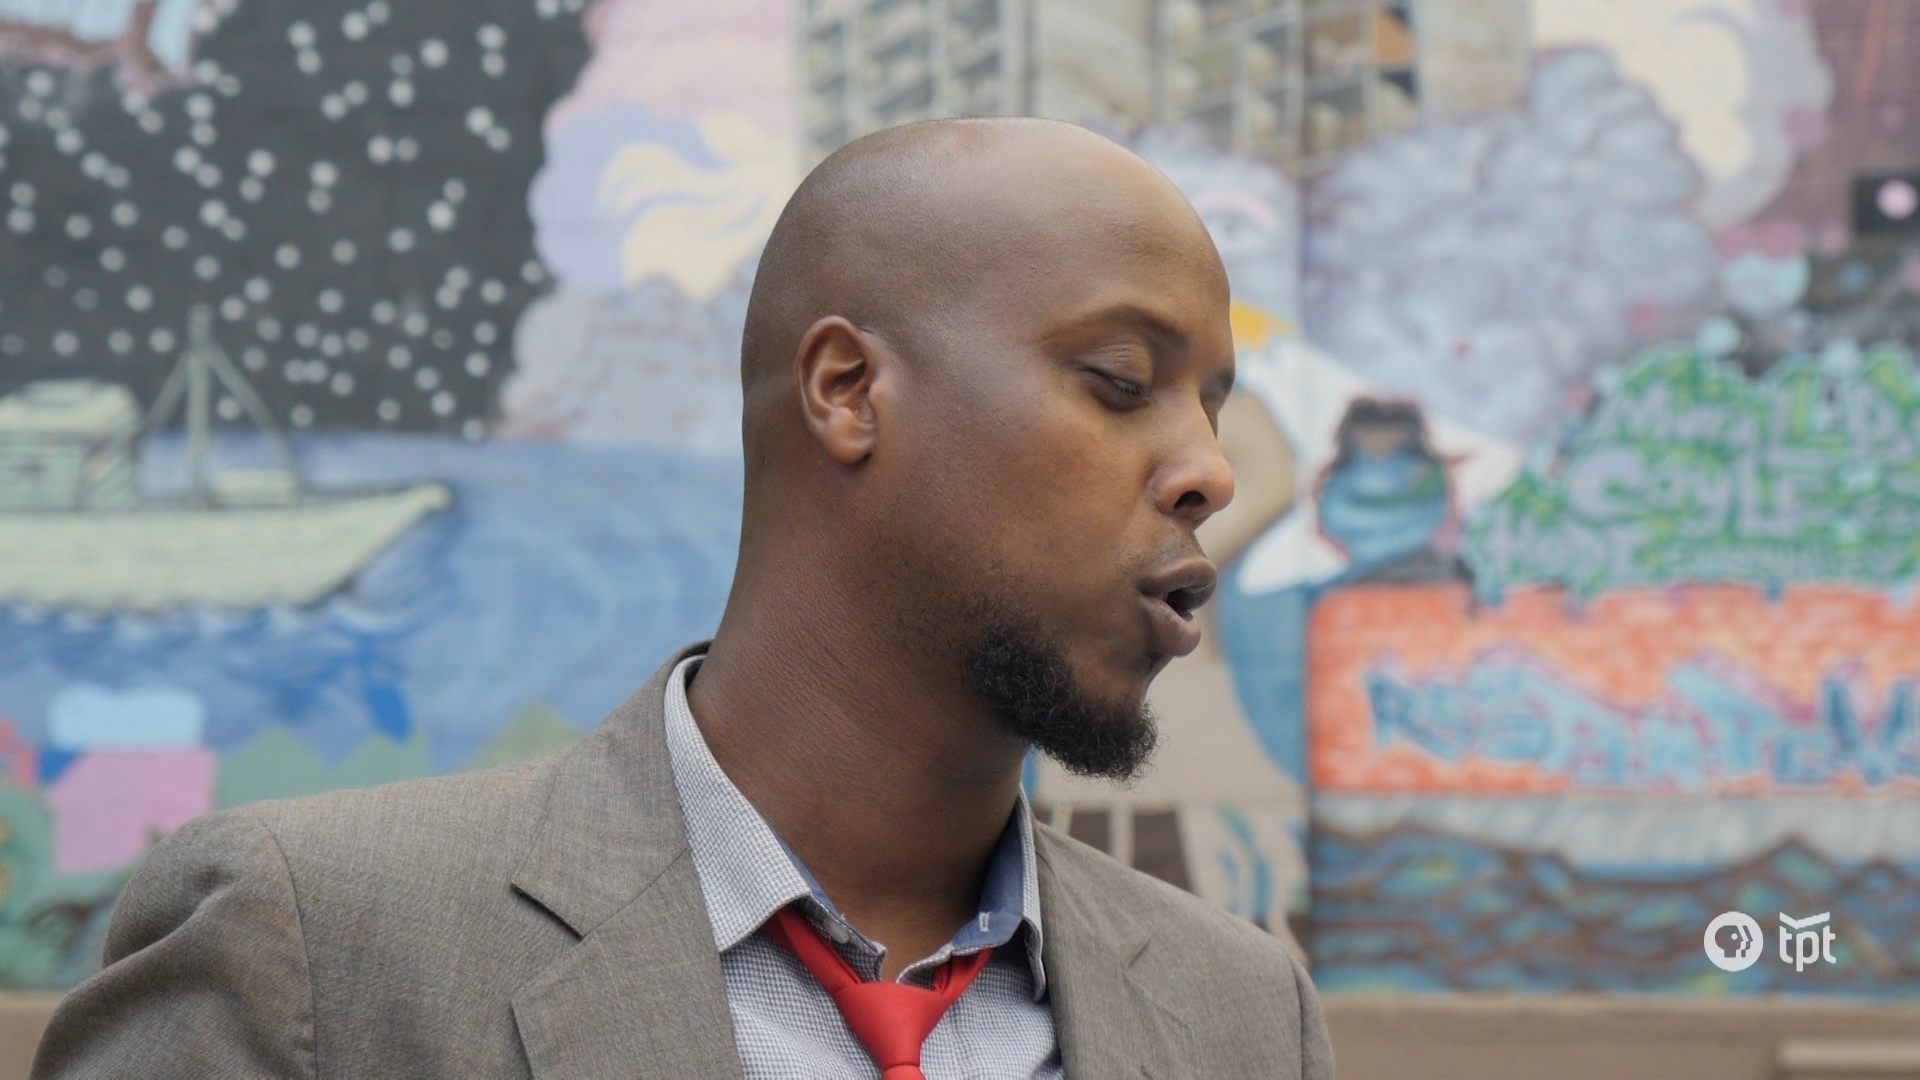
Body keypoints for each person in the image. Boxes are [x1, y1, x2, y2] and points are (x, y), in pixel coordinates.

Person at [33, 118, 1334, 1079]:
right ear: (847, 391)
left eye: (1212, 409)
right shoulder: (312, 950)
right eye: (1120, 380)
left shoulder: (1244, 1018)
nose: (1209, 472)